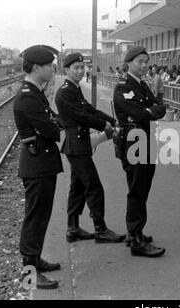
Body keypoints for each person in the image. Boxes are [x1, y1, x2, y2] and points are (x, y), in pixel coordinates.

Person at [55, 53, 125, 244]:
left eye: (82, 67)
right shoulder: (65, 92)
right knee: (94, 187)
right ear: (66, 69)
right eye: (76, 68)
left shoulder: (74, 89)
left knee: (77, 187)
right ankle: (100, 229)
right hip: (76, 145)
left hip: (79, 144)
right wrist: (105, 126)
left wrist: (112, 120)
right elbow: (82, 116)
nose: (80, 71)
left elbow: (90, 110)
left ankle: (73, 228)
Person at [13, 45, 63, 290]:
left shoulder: (35, 92)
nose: (53, 68)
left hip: (42, 162)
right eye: (49, 65)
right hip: (37, 164)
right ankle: (28, 274)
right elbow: (52, 129)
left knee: (42, 216)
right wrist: (54, 125)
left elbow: (53, 120)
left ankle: (35, 260)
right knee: (35, 218)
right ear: (36, 67)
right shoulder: (27, 96)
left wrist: (55, 123)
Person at [113, 46, 167, 257]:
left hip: (144, 140)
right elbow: (138, 112)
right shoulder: (124, 87)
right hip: (134, 142)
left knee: (143, 187)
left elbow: (159, 107)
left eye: (146, 61)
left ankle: (135, 231)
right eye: (140, 62)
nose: (144, 65)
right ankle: (135, 239)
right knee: (137, 189)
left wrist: (149, 112)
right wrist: (149, 112)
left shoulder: (141, 85)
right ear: (128, 63)